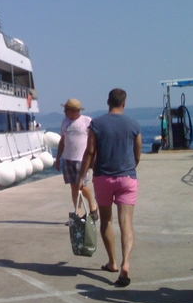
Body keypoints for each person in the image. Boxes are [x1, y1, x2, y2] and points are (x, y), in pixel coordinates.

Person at [78, 88, 141, 287]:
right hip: (127, 178)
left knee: (106, 219)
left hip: (103, 177)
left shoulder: (96, 124)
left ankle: (112, 262)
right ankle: (126, 263)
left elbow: (89, 151)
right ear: (124, 103)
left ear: (108, 102)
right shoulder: (133, 124)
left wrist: (82, 176)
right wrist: (131, 167)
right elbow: (137, 151)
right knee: (126, 223)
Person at [55, 98, 98, 220]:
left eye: (66, 109)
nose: (64, 112)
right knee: (73, 186)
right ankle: (78, 214)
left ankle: (92, 206)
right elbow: (62, 140)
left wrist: (94, 158)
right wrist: (58, 158)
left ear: (74, 110)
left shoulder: (87, 121)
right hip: (68, 158)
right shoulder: (65, 122)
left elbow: (94, 141)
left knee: (82, 185)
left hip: (82, 159)